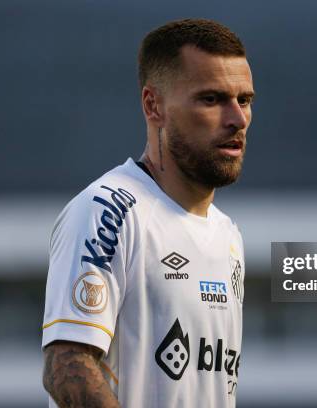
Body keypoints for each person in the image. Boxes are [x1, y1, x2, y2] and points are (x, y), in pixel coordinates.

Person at [41, 18, 254, 408]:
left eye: (244, 100)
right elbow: (66, 365)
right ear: (153, 105)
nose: (237, 118)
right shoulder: (108, 211)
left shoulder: (229, 237)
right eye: (211, 99)